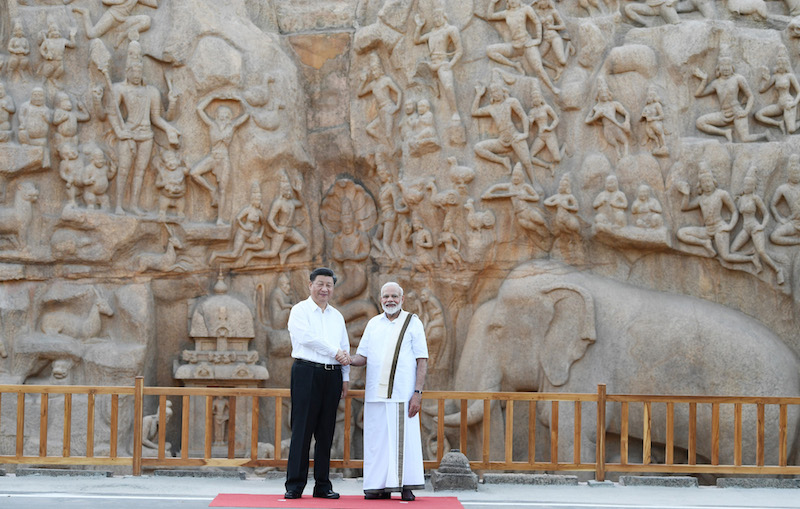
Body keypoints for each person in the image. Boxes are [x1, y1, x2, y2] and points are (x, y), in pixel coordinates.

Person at [350, 282, 428, 501]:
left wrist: (417, 392)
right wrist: (347, 358)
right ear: (380, 299)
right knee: (377, 441)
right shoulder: (374, 324)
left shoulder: (412, 323)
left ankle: (405, 486)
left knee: (404, 441)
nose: (390, 300)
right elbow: (362, 356)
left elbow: (422, 359)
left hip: (403, 395)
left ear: (402, 299)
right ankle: (378, 486)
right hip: (376, 394)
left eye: (394, 296)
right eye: (386, 296)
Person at [284, 268, 351, 500]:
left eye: (329, 285)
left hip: (332, 375)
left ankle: (323, 485)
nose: (325, 289)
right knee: (302, 430)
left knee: (326, 431)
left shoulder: (337, 316)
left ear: (333, 288)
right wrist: (335, 352)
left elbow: (345, 347)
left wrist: (345, 378)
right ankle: (294, 485)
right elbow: (306, 338)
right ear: (310, 285)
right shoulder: (299, 311)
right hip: (306, 372)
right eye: (320, 284)